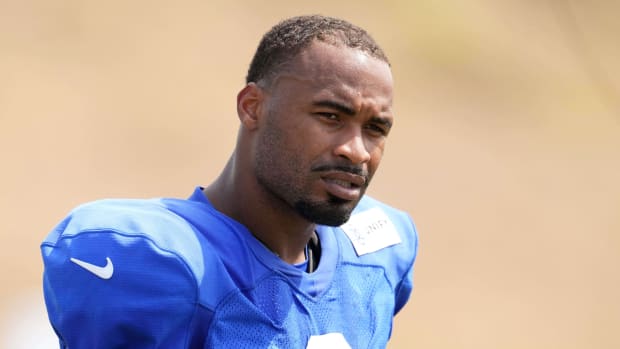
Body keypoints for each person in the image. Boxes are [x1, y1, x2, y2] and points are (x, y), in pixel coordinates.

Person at [41, 15, 419, 348]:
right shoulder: (159, 260)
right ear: (252, 107)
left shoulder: (377, 251)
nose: (358, 151)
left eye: (375, 129)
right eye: (330, 117)